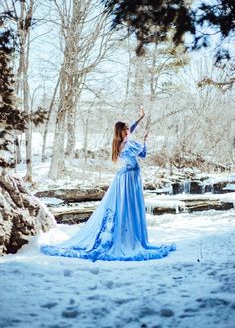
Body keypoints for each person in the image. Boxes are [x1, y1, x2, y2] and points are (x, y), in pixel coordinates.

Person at [41, 106, 176, 261]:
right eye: (124, 130)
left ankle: (127, 233)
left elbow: (131, 129)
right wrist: (145, 141)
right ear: (120, 132)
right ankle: (126, 237)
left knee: (125, 206)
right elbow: (144, 155)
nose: (127, 131)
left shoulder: (118, 142)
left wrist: (140, 118)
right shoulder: (128, 144)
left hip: (126, 177)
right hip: (129, 178)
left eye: (127, 129)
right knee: (126, 206)